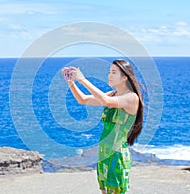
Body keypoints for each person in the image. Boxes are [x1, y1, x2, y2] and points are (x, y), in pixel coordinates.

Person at [62, 59, 144, 194]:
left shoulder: (131, 97)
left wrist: (82, 80)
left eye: (113, 72)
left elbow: (106, 101)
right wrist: (71, 82)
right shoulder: (113, 94)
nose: (109, 76)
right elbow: (83, 99)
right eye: (109, 72)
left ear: (124, 77)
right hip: (104, 154)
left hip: (117, 156)